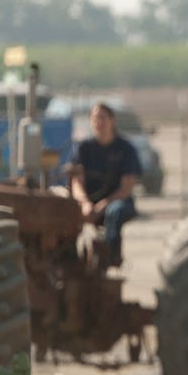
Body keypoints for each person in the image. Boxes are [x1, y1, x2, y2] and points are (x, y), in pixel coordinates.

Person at [65, 102, 143, 268]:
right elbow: (76, 182)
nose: (98, 122)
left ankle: (109, 257)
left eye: (102, 118)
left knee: (115, 212)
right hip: (88, 201)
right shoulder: (84, 148)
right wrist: (85, 203)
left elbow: (126, 188)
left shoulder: (125, 149)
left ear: (112, 121)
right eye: (94, 118)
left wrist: (102, 205)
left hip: (117, 201)